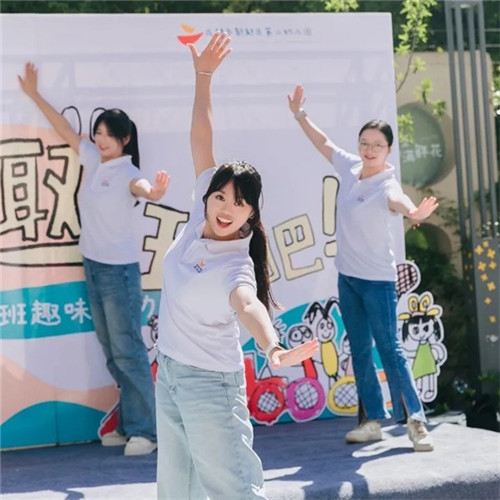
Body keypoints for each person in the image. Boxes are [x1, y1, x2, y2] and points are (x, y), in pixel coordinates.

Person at [155, 33, 319, 499]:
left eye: (240, 203)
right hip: (171, 374)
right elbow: (201, 137)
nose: (226, 208)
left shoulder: (235, 266)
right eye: (221, 197)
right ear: (208, 195)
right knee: (177, 491)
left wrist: (272, 348)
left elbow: (248, 306)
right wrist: (203, 76)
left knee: (235, 491)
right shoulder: (197, 218)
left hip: (210, 386)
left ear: (251, 214)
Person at [18, 62, 169, 456]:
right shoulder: (92, 159)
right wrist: (34, 94)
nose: (100, 139)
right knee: (110, 348)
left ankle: (147, 431)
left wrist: (154, 192)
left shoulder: (127, 171)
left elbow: (142, 187)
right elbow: (64, 129)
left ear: (125, 139)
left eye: (108, 134)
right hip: (94, 266)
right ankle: (131, 423)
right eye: (98, 133)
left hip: (119, 273)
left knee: (127, 348)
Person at [287, 84, 438, 452]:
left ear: (388, 150)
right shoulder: (351, 167)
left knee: (390, 350)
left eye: (377, 145)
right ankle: (371, 422)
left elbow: (398, 201)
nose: (369, 150)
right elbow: (323, 143)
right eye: (364, 143)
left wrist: (413, 212)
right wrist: (300, 114)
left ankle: (416, 421)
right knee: (359, 350)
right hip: (349, 278)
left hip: (377, 282)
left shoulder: (386, 184)